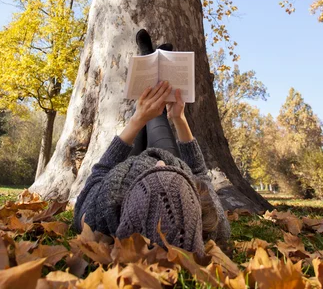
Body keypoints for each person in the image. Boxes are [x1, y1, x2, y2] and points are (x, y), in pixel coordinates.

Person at [73, 31, 230, 256]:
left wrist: (137, 120)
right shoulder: (214, 226)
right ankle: (159, 69)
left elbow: (100, 172)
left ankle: (148, 59)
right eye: (172, 176)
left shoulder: (97, 217)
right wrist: (179, 119)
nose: (158, 165)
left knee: (146, 114)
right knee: (159, 119)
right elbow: (200, 174)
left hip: (124, 172)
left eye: (153, 180)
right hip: (167, 156)